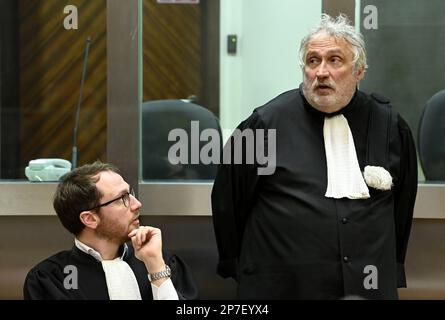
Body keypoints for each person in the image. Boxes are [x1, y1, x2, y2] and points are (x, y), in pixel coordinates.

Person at [211, 14, 418, 299]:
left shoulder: (388, 125)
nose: (321, 72)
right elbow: (228, 202)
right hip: (283, 288)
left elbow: (402, 207)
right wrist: (245, 269)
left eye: (335, 60)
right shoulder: (264, 123)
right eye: (312, 61)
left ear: (359, 71)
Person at [24, 161, 198, 300]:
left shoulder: (161, 262)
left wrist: (156, 268)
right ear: (90, 219)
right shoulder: (50, 279)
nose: (137, 204)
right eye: (122, 198)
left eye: (131, 193)